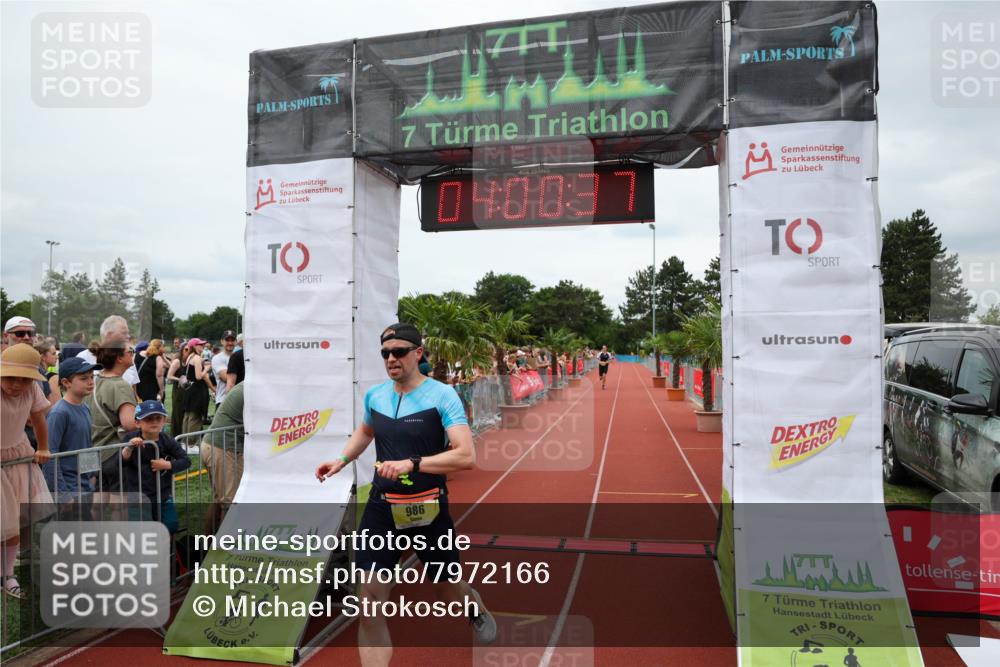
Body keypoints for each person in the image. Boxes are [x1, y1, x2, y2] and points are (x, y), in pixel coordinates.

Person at [314, 323, 496, 665]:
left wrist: (412, 464)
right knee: (368, 602)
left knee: (446, 591)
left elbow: (465, 455)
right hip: (382, 509)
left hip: (428, 509)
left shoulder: (442, 395)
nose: (391, 359)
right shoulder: (376, 395)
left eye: (398, 352)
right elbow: (366, 431)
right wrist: (340, 459)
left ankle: (473, 604)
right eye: (385, 353)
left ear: (418, 353)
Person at [1, 344, 53, 599]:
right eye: (10, 377)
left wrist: (42, 447)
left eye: (24, 379)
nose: (16, 385)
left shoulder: (31, 390)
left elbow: (38, 420)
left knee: (15, 523)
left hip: (18, 455)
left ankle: (7, 574)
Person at [118, 400, 191, 533]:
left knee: (171, 525)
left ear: (164, 420)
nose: (154, 422)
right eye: (148, 419)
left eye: (158, 418)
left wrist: (167, 464)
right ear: (137, 423)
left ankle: (167, 551)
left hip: (162, 494)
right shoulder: (130, 438)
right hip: (138, 496)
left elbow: (186, 460)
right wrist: (129, 447)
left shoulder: (167, 440)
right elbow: (121, 460)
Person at [42, 356, 102, 500]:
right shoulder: (59, 413)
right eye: (83, 378)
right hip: (69, 489)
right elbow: (50, 454)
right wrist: (62, 493)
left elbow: (86, 444)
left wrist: (92, 476)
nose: (90, 382)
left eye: (91, 377)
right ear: (66, 382)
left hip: (85, 486)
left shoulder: (85, 407)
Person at [201, 381, 245, 531]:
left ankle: (208, 548)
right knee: (230, 504)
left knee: (220, 501)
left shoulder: (247, 386)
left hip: (216, 445)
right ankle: (221, 552)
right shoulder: (251, 390)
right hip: (224, 448)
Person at [88, 341, 138, 463]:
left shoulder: (95, 379)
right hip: (112, 452)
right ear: (119, 358)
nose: (133, 354)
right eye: (130, 351)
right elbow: (130, 425)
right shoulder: (120, 386)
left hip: (93, 450)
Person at [181, 339, 212, 434]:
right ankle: (191, 443)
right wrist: (206, 369)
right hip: (197, 391)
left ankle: (185, 441)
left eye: (203, 344)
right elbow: (198, 377)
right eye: (200, 344)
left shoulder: (189, 357)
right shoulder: (197, 358)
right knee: (195, 417)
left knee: (188, 416)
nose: (202, 346)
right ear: (194, 346)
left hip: (189, 390)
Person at [167, 344, 191, 436]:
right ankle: (176, 435)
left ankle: (184, 434)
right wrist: (179, 379)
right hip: (178, 391)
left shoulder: (189, 361)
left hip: (187, 390)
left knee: (186, 413)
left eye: (189, 349)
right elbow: (169, 375)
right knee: (178, 413)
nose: (187, 351)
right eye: (185, 349)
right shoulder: (177, 361)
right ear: (181, 350)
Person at [211, 331, 236, 406]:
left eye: (232, 340)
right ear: (222, 341)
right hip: (223, 401)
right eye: (227, 340)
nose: (230, 343)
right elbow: (227, 378)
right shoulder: (217, 358)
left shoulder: (239, 357)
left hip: (238, 400)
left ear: (236, 342)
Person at [33, 340, 61, 407]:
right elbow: (56, 405)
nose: (57, 357)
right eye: (53, 354)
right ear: (43, 357)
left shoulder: (37, 372)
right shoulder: (48, 376)